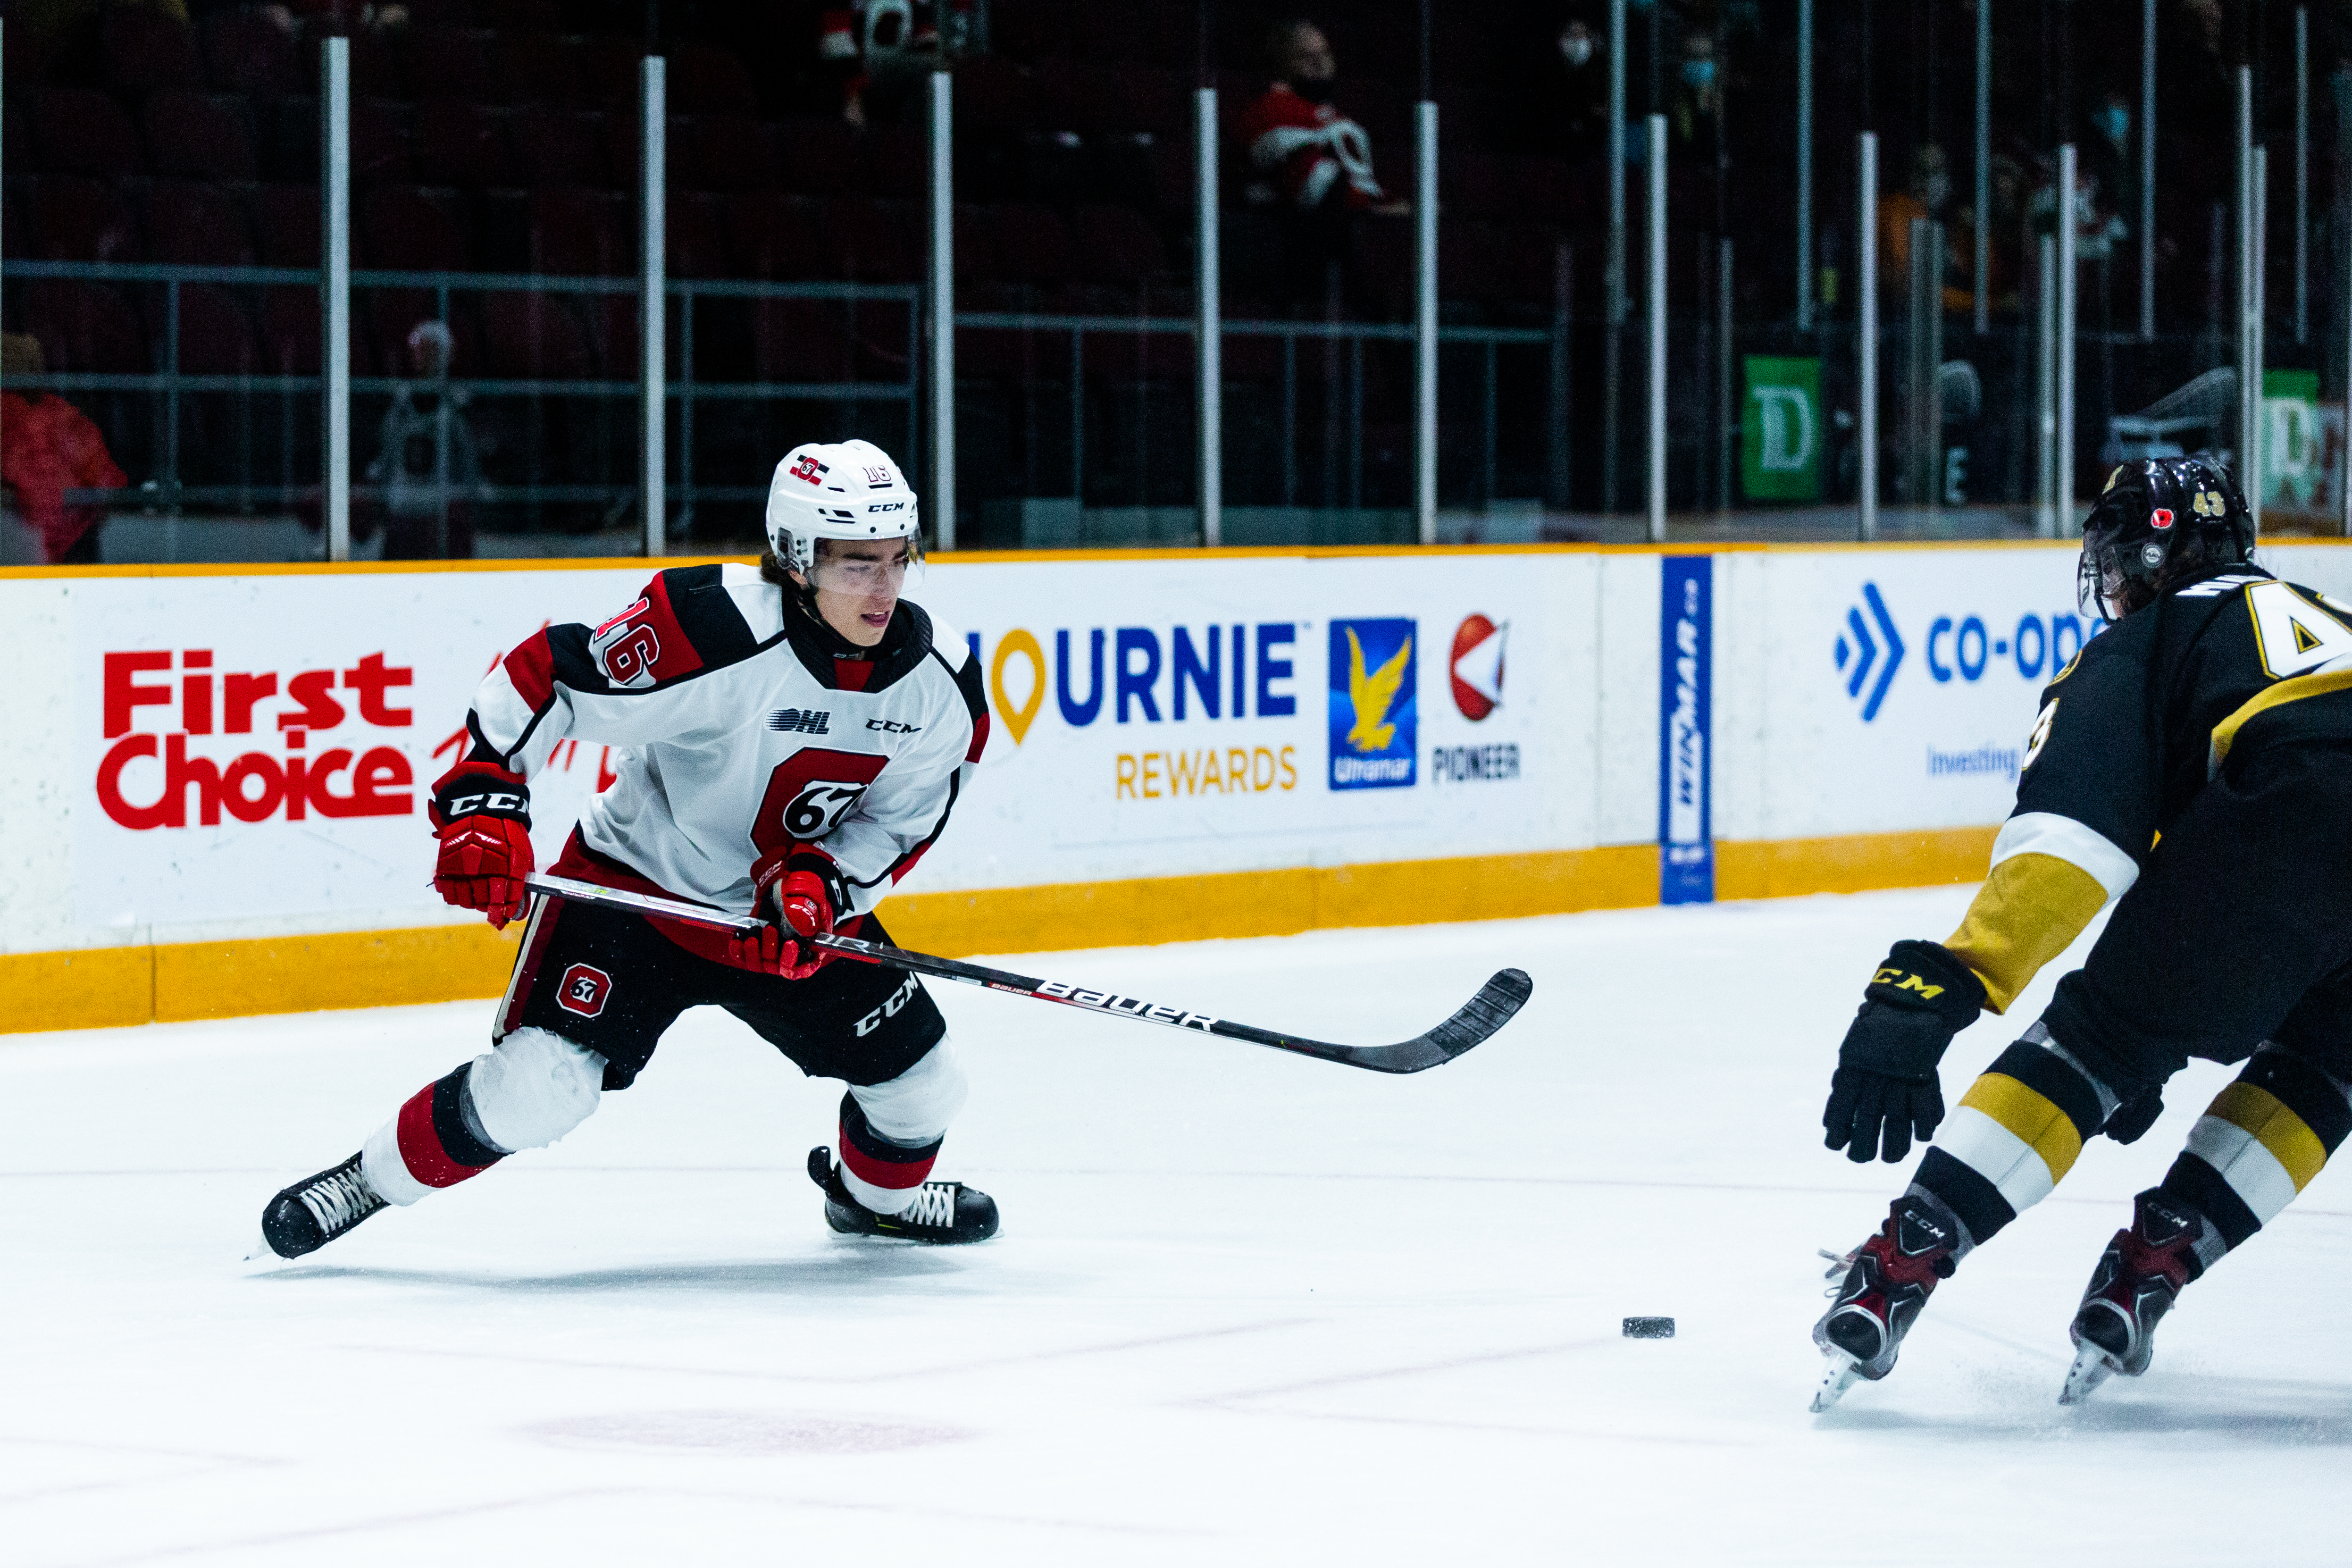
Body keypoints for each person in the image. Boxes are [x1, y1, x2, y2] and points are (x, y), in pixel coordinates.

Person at [254, 438, 1000, 1260]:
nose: (885, 587)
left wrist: (826, 884)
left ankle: (873, 1205)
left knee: (925, 1089)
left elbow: (902, 821)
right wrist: (485, 798)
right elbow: (550, 676)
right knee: (539, 1090)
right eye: (857, 564)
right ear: (796, 556)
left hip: (777, 926)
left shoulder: (942, 686)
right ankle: (368, 1179)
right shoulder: (712, 626)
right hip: (637, 889)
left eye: (897, 558)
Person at [1813, 457, 2352, 1410]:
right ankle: (2155, 1258)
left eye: (2113, 558)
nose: (2106, 582)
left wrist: (1959, 973)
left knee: (2096, 1044)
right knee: (2327, 1063)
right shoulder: (2323, 614)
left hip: (2290, 810)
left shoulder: (2149, 638)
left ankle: (1897, 1266)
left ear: (2144, 558)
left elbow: (2071, 842)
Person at [1240, 18, 1407, 313]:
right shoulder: (1271, 109)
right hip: (1317, 248)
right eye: (1307, 57)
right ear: (1282, 63)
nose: (1320, 64)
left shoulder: (1330, 114)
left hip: (1356, 231)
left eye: (1325, 54)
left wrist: (1394, 205)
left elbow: (1360, 181)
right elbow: (1315, 187)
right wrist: (1371, 208)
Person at [1, 332, 127, 564]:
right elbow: (103, 478)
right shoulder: (58, 413)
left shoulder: (32, 415)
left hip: (47, 531)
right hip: (71, 529)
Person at [366, 321, 484, 561]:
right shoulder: (401, 402)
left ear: (446, 355)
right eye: (420, 350)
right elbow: (387, 454)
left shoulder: (457, 405)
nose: (423, 357)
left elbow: (468, 461)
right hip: (402, 508)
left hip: (439, 510)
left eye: (430, 350)